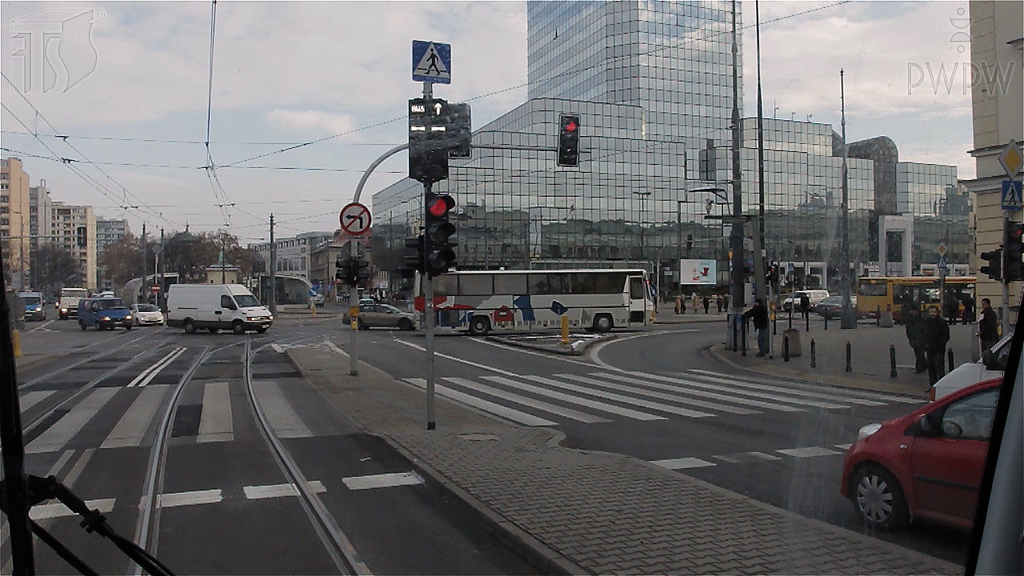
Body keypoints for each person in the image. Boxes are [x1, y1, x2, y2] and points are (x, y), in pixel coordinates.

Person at [923, 305, 950, 386]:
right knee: (931, 369)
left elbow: (946, 336)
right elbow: (923, 334)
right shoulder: (926, 323)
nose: (932, 314)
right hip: (929, 349)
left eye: (934, 312)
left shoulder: (942, 323)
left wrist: (939, 345)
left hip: (939, 350)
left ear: (937, 312)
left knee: (939, 368)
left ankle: (941, 385)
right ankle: (933, 386)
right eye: (931, 312)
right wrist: (925, 345)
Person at [904, 308, 927, 374]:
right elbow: (908, 329)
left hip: (920, 338)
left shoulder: (920, 318)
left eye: (913, 310)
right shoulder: (910, 319)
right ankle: (924, 365)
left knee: (919, 354)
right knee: (918, 353)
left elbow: (923, 328)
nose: (912, 312)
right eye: (911, 310)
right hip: (914, 338)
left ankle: (920, 368)